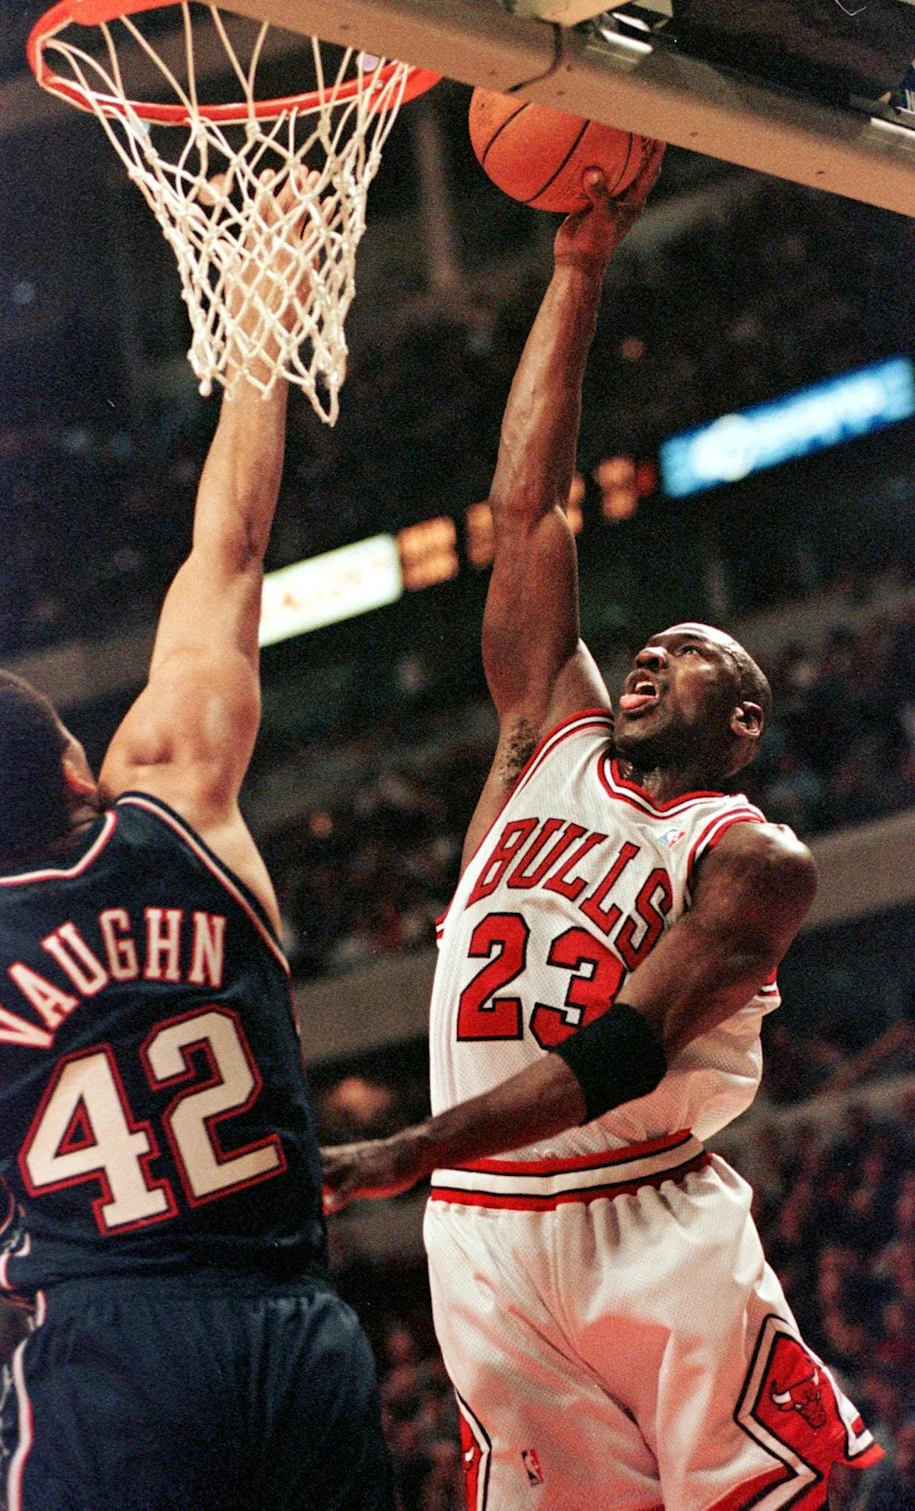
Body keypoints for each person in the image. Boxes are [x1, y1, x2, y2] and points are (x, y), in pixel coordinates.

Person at [321, 160, 882, 1511]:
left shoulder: (753, 856)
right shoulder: (542, 745)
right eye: (644, 646)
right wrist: (573, 274)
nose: (647, 657)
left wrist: (412, 1145)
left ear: (742, 719)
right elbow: (529, 511)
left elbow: (625, 1051)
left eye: (688, 655)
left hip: (643, 1211)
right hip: (484, 1236)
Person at [0, 175, 394, 1511]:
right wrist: (263, 297)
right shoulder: (183, 799)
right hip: (295, 1332)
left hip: (116, 1364)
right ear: (83, 761)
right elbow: (233, 542)